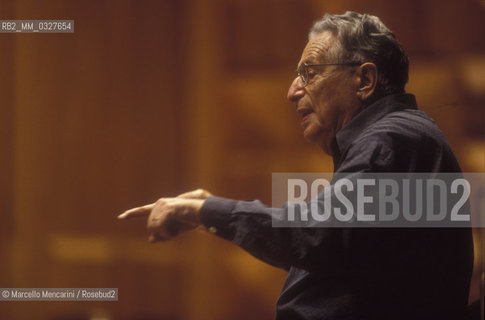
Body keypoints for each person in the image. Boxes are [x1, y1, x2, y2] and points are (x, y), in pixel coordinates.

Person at [118, 11, 474, 320]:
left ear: (364, 80)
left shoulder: (391, 140)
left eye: (310, 73)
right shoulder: (404, 139)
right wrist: (210, 213)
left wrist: (208, 212)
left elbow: (317, 235)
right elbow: (337, 249)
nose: (292, 91)